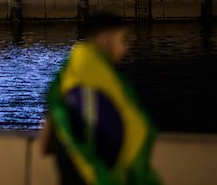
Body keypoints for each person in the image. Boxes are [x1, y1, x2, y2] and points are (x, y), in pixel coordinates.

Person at [43, 13, 160, 184]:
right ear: (104, 40)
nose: (125, 49)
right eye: (122, 40)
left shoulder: (64, 80)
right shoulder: (100, 84)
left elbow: (44, 147)